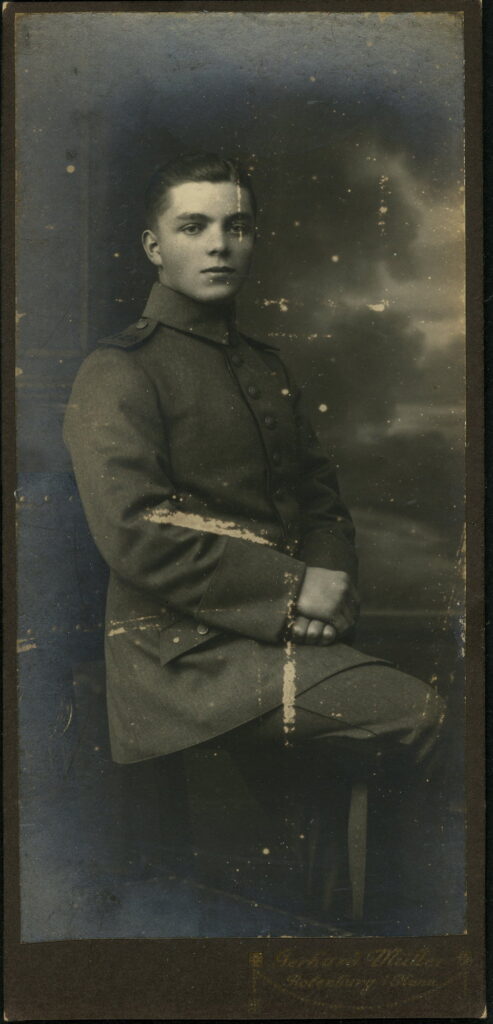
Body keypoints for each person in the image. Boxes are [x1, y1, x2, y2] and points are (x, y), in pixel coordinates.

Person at [63, 152, 446, 916]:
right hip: (181, 661)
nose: (218, 245)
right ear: (153, 248)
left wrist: (327, 586)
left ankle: (346, 931)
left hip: (268, 642)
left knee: (365, 759)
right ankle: (399, 929)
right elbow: (136, 534)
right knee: (419, 714)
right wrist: (293, 590)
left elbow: (319, 499)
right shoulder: (118, 372)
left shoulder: (263, 366)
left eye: (236, 227)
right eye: (193, 226)